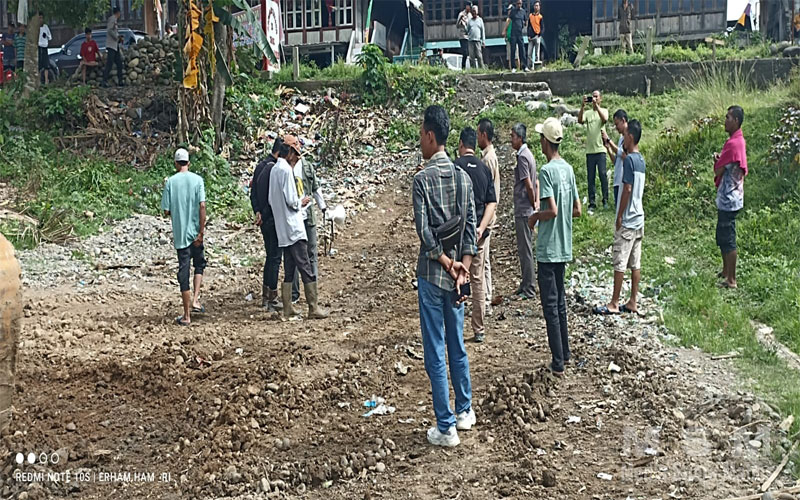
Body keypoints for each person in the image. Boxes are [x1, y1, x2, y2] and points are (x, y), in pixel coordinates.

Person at [413, 105, 477, 447]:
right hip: (457, 279)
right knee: (457, 343)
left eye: (421, 134)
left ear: (430, 135)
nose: (420, 140)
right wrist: (461, 266)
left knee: (435, 350)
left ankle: (445, 426)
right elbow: (470, 229)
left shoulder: (422, 180)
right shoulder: (463, 178)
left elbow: (425, 233)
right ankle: (464, 411)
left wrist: (445, 262)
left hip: (432, 275)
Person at [528, 117, 581, 376]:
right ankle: (565, 352)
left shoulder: (547, 171)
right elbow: (577, 209)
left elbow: (552, 210)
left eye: (541, 138)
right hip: (564, 246)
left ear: (545, 142)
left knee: (550, 305)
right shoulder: (568, 169)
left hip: (548, 248)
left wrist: (535, 217)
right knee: (560, 303)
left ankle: (557, 361)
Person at [268, 135, 329, 319]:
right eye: (294, 152)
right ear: (289, 152)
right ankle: (313, 306)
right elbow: (291, 200)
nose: (295, 156)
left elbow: (271, 199)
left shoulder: (274, 170)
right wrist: (301, 202)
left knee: (289, 268)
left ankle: (288, 307)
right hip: (294, 227)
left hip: (282, 229)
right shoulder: (286, 170)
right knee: (305, 265)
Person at [594, 119, 645, 315]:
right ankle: (633, 300)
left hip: (628, 219)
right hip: (639, 217)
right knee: (635, 262)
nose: (622, 138)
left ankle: (614, 302)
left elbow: (627, 189)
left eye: (624, 135)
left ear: (630, 137)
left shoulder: (630, 161)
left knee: (620, 261)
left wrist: (620, 215)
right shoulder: (641, 160)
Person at [454, 127, 496, 343]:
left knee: (456, 276)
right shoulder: (483, 169)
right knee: (477, 279)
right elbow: (492, 203)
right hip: (478, 234)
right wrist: (481, 227)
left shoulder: (455, 167)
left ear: (461, 144)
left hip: (457, 235)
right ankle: (479, 329)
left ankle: (455, 328)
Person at [161, 148, 207, 327]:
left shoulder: (170, 182)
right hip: (196, 233)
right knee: (199, 264)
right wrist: (201, 232)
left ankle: (187, 315)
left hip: (181, 236)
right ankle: (195, 299)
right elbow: (202, 206)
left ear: (175, 163)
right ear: (188, 163)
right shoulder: (198, 180)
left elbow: (166, 210)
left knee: (183, 272)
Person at [713, 106, 748, 289]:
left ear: (736, 121)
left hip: (729, 198)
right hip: (732, 196)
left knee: (728, 238)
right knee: (722, 235)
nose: (725, 121)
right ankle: (726, 271)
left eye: (728, 118)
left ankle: (731, 280)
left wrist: (717, 162)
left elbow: (719, 169)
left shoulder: (733, 144)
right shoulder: (737, 141)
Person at [252, 138, 284, 311]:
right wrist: (264, 214)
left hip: (263, 219)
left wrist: (257, 212)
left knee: (269, 256)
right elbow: (273, 198)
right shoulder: (275, 169)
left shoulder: (260, 166)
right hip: (272, 218)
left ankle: (266, 296)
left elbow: (253, 193)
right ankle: (272, 296)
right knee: (275, 258)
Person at [291, 156, 327, 304]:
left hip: (308, 217)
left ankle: (312, 292)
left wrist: (323, 207)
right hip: (293, 218)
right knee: (294, 256)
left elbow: (315, 188)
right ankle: (294, 294)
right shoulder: (285, 169)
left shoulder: (306, 166)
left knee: (311, 253)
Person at [511, 123, 538, 300]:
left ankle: (529, 287)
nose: (511, 139)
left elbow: (528, 184)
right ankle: (526, 282)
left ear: (520, 138)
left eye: (513, 136)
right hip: (527, 207)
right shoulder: (528, 154)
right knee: (524, 248)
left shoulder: (522, 157)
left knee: (525, 249)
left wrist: (531, 202)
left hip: (523, 209)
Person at [477, 118, 500, 312]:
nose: (477, 138)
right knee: (484, 260)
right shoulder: (490, 156)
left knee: (482, 260)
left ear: (484, 135)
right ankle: (486, 296)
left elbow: (488, 193)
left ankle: (484, 299)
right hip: (490, 214)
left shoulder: (487, 160)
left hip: (487, 216)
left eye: (478, 134)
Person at [578, 90, 609, 212]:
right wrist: (582, 106)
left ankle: (605, 200)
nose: (594, 99)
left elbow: (605, 119)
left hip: (601, 150)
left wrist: (597, 107)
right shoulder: (588, 113)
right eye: (593, 97)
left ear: (600, 98)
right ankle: (592, 202)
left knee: (602, 174)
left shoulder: (604, 111)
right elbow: (580, 120)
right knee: (590, 177)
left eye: (596, 97)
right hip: (590, 151)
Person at [602, 109, 628, 205]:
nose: (616, 128)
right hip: (617, 181)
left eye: (617, 124)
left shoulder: (628, 137)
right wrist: (608, 148)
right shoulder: (621, 138)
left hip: (623, 181)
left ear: (623, 120)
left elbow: (623, 154)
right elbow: (616, 161)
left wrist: (609, 140)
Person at [102, 7, 124, 87]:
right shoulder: (112, 19)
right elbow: (110, 30)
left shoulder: (115, 20)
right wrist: (117, 37)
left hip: (115, 45)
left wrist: (119, 38)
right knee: (109, 63)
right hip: (111, 45)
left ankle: (120, 81)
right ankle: (104, 81)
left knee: (119, 63)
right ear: (118, 13)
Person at [504, 0, 528, 72]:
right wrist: (505, 30)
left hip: (520, 33)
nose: (519, 5)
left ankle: (524, 66)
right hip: (513, 33)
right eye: (518, 3)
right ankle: (513, 67)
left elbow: (526, 20)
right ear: (516, 4)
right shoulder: (513, 11)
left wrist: (525, 25)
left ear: (522, 4)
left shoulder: (523, 12)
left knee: (522, 50)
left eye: (520, 3)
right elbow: (509, 20)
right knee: (513, 50)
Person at [466, 5, 485, 70]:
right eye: (473, 11)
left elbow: (482, 31)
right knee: (471, 56)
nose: (474, 12)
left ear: (477, 11)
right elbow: (467, 30)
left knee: (479, 56)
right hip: (470, 41)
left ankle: (481, 69)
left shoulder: (480, 20)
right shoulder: (469, 20)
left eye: (475, 11)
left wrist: (483, 41)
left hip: (478, 40)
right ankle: (473, 69)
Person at [37, 12, 52, 85]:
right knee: (39, 65)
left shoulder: (45, 27)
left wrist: (46, 35)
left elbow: (50, 37)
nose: (41, 20)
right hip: (39, 46)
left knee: (46, 65)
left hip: (45, 46)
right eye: (39, 18)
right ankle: (39, 81)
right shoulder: (36, 28)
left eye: (41, 18)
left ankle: (46, 80)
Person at [456, 2, 472, 70]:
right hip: (462, 36)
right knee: (465, 53)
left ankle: (471, 67)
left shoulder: (470, 15)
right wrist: (460, 19)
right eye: (468, 7)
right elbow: (457, 25)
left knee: (470, 53)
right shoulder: (461, 14)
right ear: (466, 6)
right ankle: (463, 67)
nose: (469, 8)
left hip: (469, 36)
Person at [527, 2, 543, 69]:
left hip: (537, 36)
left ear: (539, 7)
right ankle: (530, 66)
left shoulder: (540, 17)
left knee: (537, 53)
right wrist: (528, 35)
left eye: (537, 6)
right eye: (535, 5)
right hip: (531, 37)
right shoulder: (530, 16)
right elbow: (528, 26)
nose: (536, 7)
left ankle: (537, 66)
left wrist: (539, 34)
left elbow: (542, 27)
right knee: (529, 53)